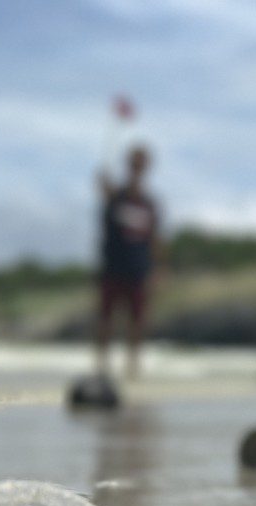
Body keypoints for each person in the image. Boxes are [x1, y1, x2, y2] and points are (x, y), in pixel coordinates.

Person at [96, 144, 161, 379]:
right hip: (112, 267)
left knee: (138, 322)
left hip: (138, 269)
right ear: (128, 164)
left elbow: (154, 239)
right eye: (134, 162)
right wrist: (102, 184)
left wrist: (156, 270)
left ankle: (132, 367)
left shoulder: (149, 203)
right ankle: (101, 366)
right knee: (106, 319)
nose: (137, 167)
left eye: (141, 163)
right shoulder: (115, 196)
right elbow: (104, 193)